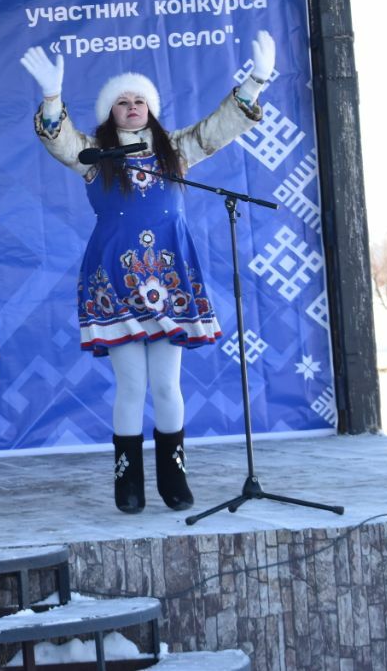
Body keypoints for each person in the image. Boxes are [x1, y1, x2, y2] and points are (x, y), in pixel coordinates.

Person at [20, 31, 275, 513]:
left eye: (140, 100)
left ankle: (173, 479)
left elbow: (218, 128)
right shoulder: (94, 155)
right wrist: (52, 98)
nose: (133, 106)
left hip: (168, 277)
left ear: (151, 108)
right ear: (110, 111)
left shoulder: (174, 149)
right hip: (115, 278)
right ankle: (128, 482)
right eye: (123, 101)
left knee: (167, 385)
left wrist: (257, 80)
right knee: (132, 385)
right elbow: (60, 140)